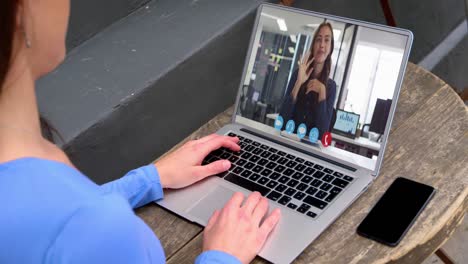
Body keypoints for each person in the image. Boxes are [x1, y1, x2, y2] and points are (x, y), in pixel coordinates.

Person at [0, 0, 281, 263]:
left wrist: (148, 179)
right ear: (23, 11)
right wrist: (222, 256)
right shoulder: (98, 232)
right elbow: (71, 227)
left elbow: (47, 219)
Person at [279, 22, 337, 138]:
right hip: (289, 141)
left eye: (326, 40)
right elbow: (281, 122)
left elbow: (322, 135)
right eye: (318, 40)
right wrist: (298, 83)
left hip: (310, 148)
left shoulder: (330, 87)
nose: (321, 45)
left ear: (330, 48)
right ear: (313, 45)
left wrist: (322, 91)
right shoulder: (298, 74)